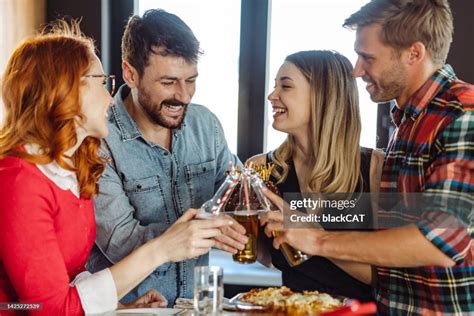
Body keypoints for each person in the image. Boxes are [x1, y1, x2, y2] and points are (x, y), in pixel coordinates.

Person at [0, 22, 237, 315]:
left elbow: (69, 276)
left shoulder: (72, 167)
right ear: (62, 93)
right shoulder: (19, 181)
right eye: (101, 84)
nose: (108, 98)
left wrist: (116, 305)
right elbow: (44, 308)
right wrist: (165, 247)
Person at [262, 0, 474, 314]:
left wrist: (317, 240)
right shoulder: (407, 125)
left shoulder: (462, 114)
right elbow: (390, 253)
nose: (357, 70)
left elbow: (441, 241)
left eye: (367, 57)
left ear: (414, 53)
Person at [86, 9, 247, 305]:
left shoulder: (206, 125)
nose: (184, 96)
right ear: (130, 74)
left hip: (194, 306)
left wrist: (242, 209)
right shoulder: (98, 138)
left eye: (191, 80)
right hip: (132, 309)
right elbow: (119, 242)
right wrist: (199, 230)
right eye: (169, 82)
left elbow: (236, 190)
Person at [248, 50, 384, 302]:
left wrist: (314, 236)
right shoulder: (261, 168)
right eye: (274, 86)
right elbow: (267, 256)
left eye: (285, 86)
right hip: (293, 308)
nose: (272, 96)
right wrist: (240, 234)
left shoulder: (375, 167)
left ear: (323, 97)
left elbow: (383, 276)